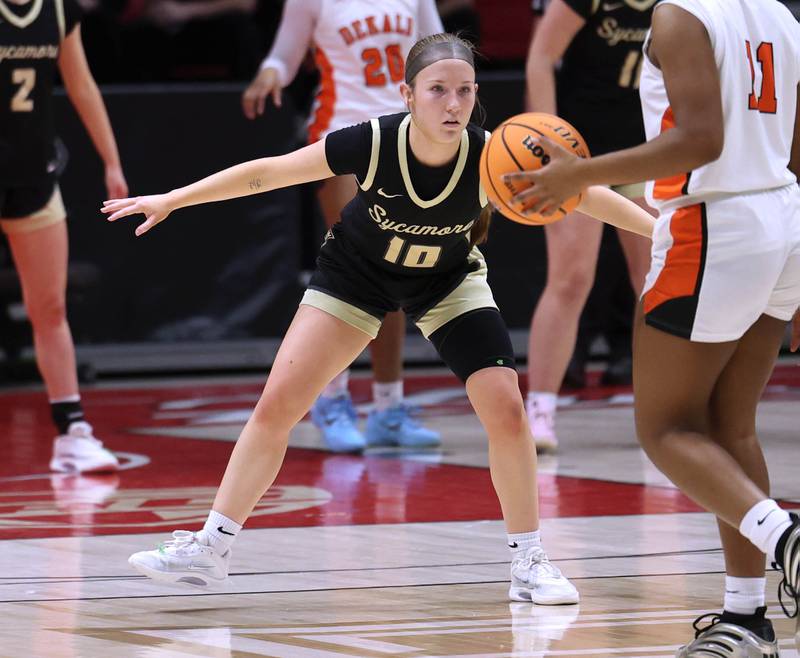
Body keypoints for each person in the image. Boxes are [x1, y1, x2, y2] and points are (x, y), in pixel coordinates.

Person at [107, 33, 654, 603]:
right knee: (278, 405)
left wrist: (661, 230)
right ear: (408, 94)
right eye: (437, 90)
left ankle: (529, 562)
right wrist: (172, 199)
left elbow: (585, 193)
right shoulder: (371, 142)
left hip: (447, 279)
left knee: (507, 410)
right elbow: (268, 172)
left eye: (464, 92)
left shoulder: (495, 154)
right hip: (357, 276)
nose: (452, 104)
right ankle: (210, 549)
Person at [506, 0, 800, 650]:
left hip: (713, 223)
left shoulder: (679, 16)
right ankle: (746, 619)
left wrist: (578, 177)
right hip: (783, 215)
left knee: (664, 427)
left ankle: (787, 538)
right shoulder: (776, 12)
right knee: (732, 426)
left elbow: (700, 140)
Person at [241, 0, 445, 453]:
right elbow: (285, 56)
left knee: (397, 273)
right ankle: (332, 401)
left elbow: (439, 52)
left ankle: (388, 409)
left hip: (406, 135)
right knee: (356, 273)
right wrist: (270, 73)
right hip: (342, 136)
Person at [523, 0, 656, 453]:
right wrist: (548, 146)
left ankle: (664, 407)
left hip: (644, 150)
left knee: (657, 278)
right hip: (579, 153)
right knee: (572, 278)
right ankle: (539, 410)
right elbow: (540, 58)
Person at [1, 0, 127, 472]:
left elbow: (81, 84)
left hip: (34, 174)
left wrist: (110, 160)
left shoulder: (56, 9)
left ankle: (73, 431)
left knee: (49, 306)